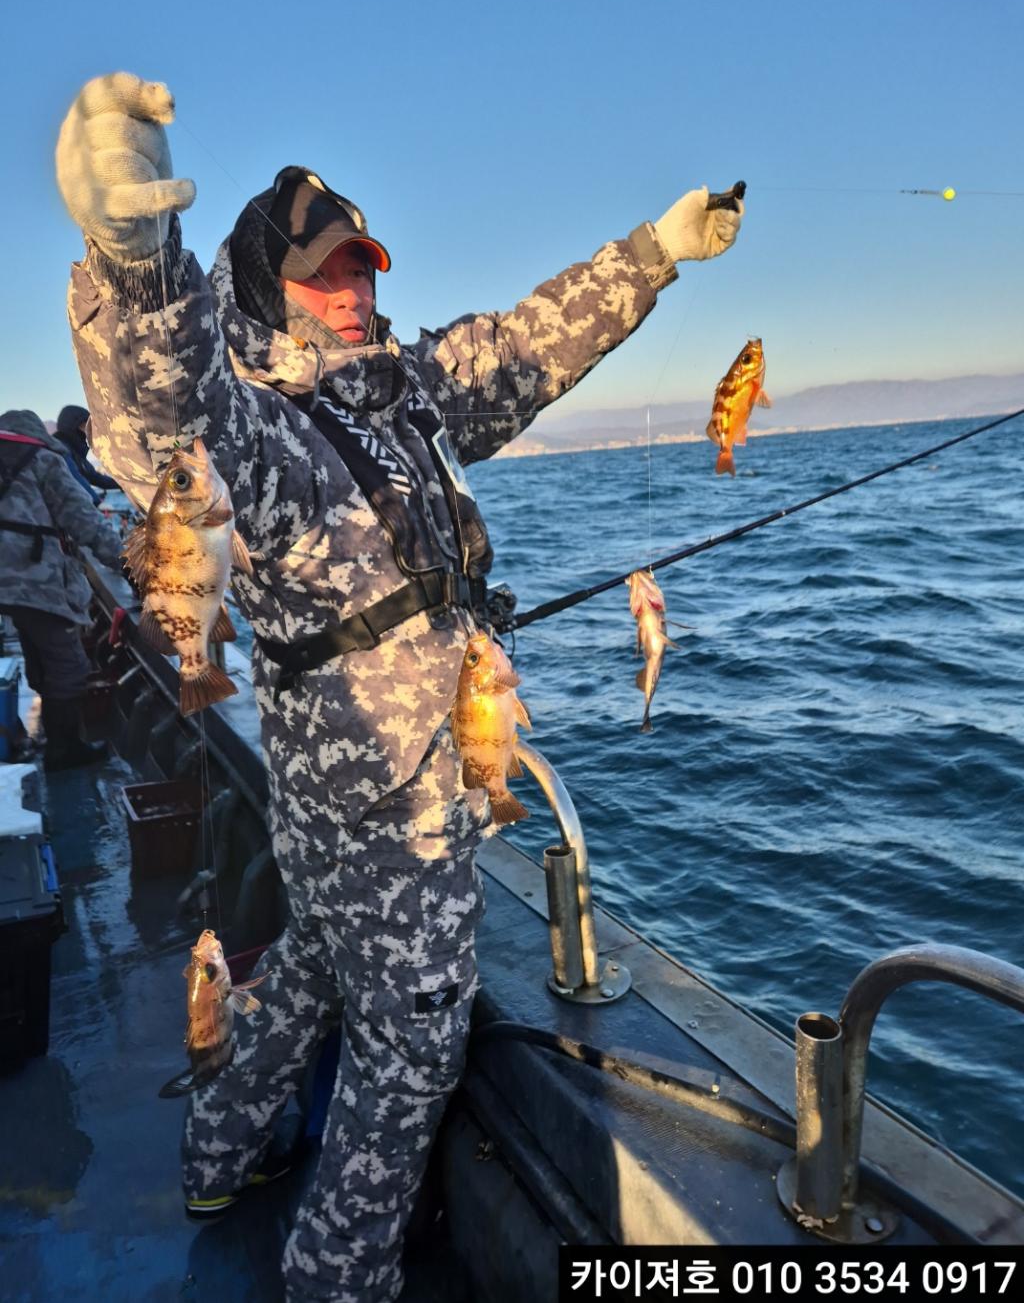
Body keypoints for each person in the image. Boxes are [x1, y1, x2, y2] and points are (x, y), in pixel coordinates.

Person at [55, 72, 743, 1302]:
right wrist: (132, 256)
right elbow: (164, 413)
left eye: (365, 267)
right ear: (271, 290)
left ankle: (218, 1154)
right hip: (385, 811)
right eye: (326, 273)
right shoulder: (258, 435)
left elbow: (524, 343)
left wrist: (654, 253)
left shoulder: (408, 395)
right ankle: (337, 1275)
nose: (356, 291)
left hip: (344, 819)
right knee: (414, 1043)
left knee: (314, 961)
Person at [0, 408, 125, 770]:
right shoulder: (44, 459)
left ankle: (44, 723)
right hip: (33, 579)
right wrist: (129, 566)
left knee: (34, 644)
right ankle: (64, 749)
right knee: (68, 664)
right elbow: (85, 523)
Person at [54, 403, 121, 504]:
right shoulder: (60, 449)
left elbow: (95, 477)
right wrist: (97, 503)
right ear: (73, 427)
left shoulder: (76, 452)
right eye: (84, 426)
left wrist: (125, 485)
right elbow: (77, 481)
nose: (88, 431)